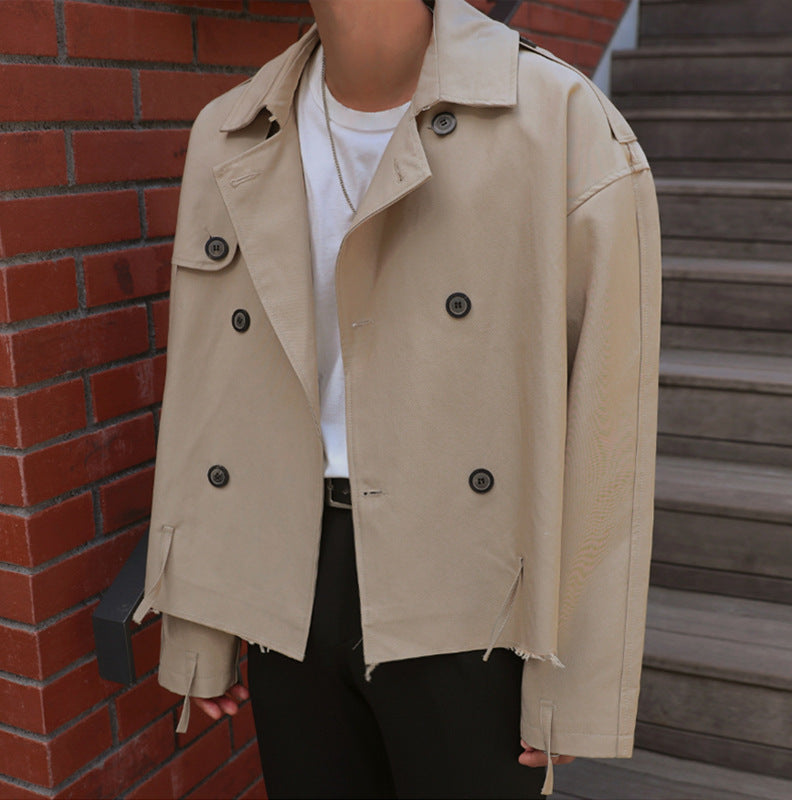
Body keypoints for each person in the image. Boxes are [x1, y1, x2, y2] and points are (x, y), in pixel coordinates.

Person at [133, 0, 661, 797]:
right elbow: (209, 392)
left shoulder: (559, 119)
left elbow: (608, 430)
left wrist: (577, 684)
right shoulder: (232, 129)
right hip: (283, 576)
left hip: (475, 594)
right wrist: (199, 618)